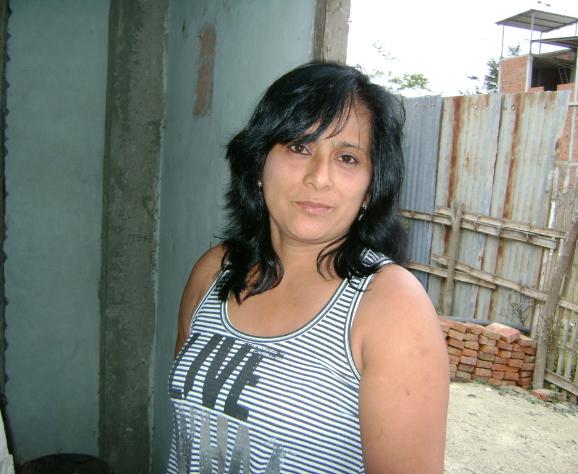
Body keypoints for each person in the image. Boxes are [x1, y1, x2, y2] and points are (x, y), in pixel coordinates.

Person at [167, 61, 449, 473]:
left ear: (370, 189)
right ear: (259, 162)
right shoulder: (214, 272)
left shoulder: (392, 306)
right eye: (300, 147)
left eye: (348, 158)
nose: (319, 177)